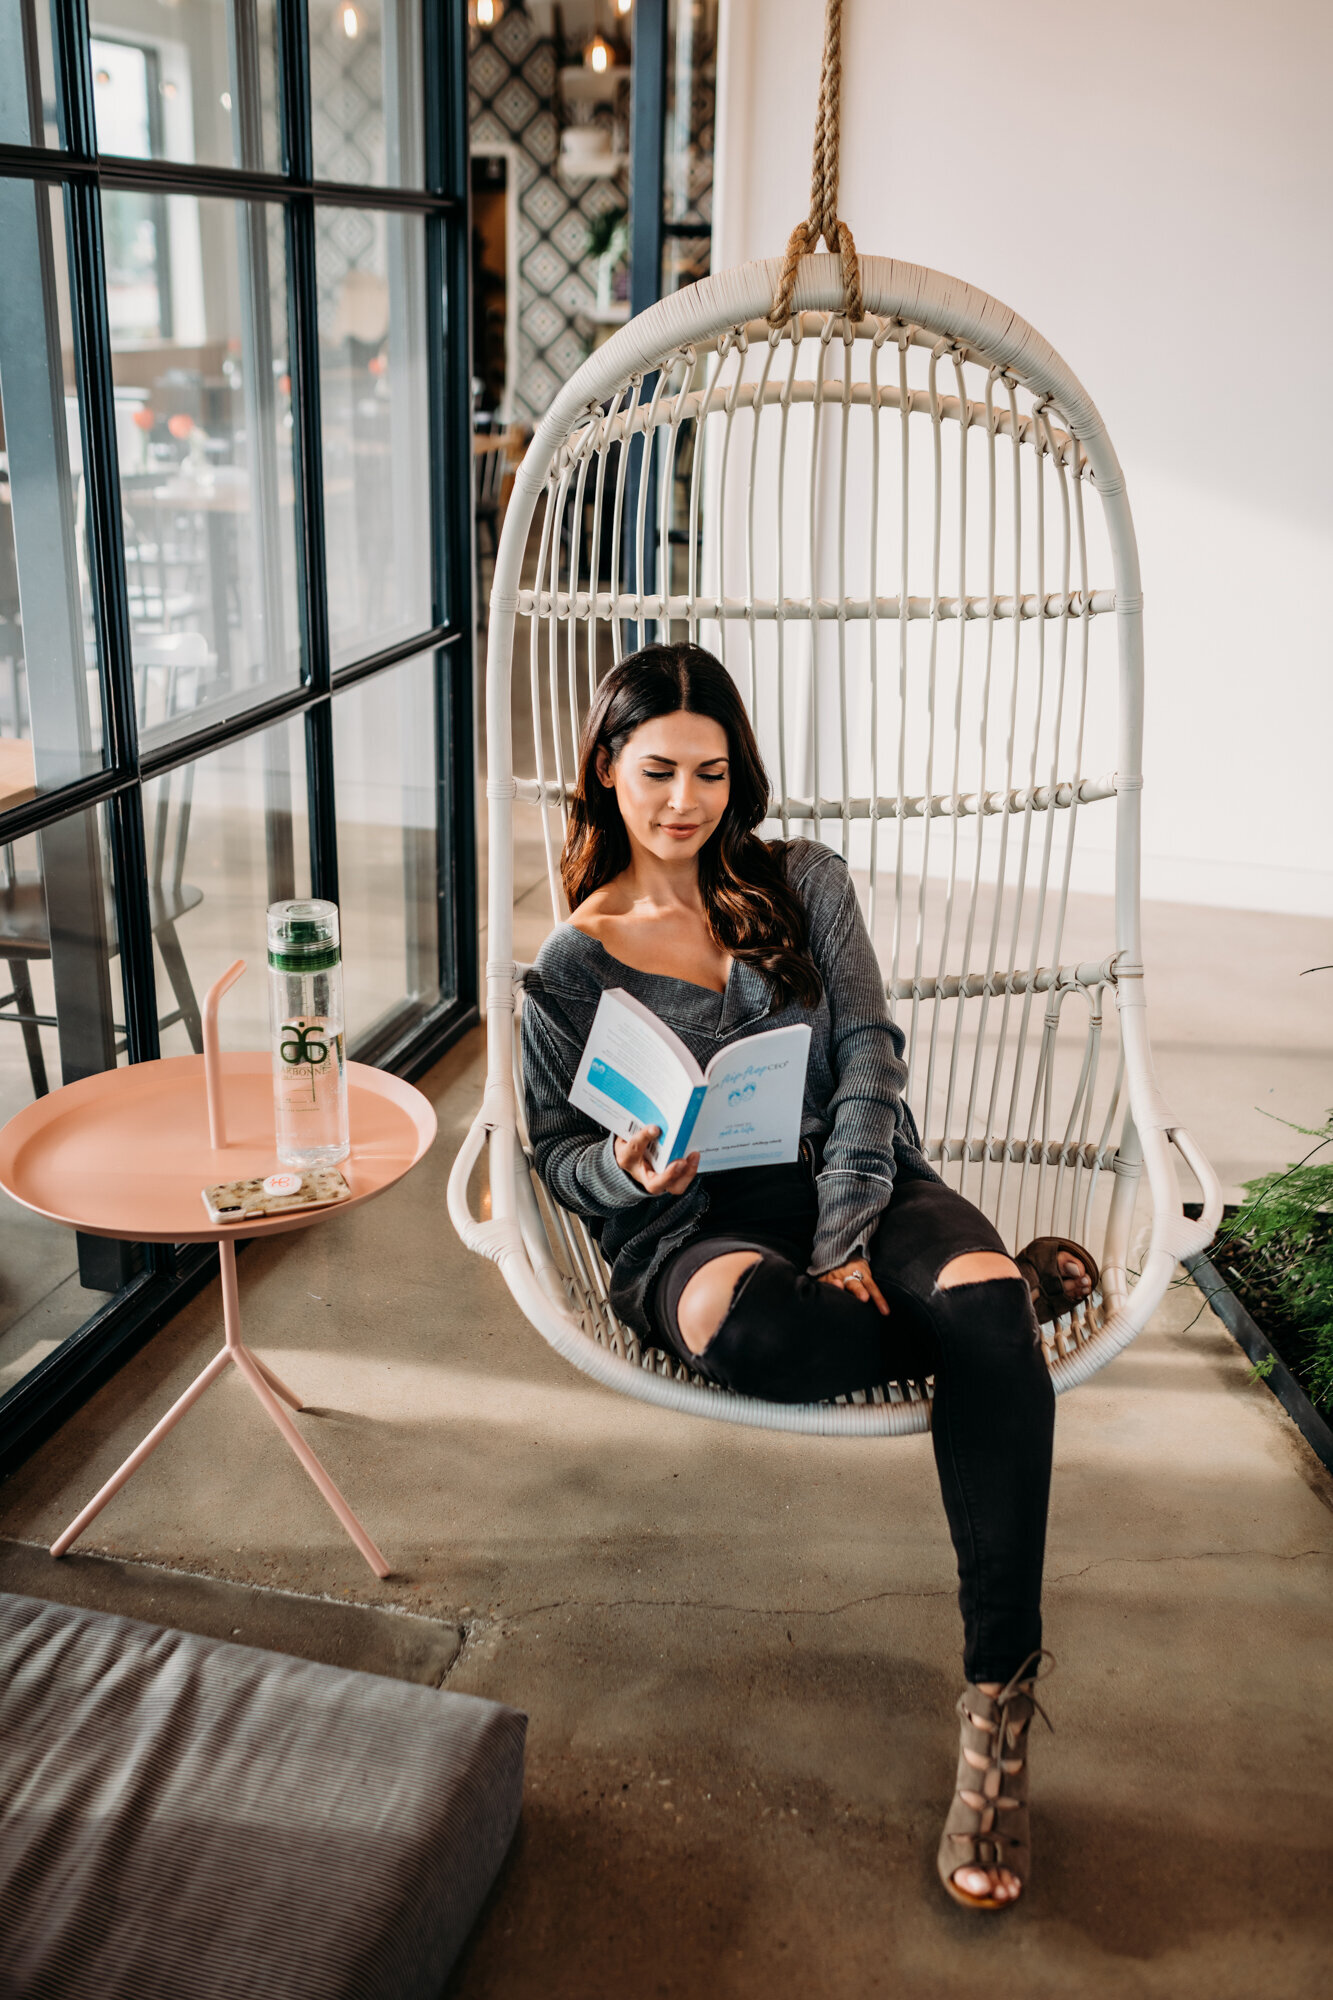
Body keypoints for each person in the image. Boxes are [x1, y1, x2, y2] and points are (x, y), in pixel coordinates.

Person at [520, 643, 1097, 1911]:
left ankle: (995, 1703)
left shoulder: (801, 881)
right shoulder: (567, 965)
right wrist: (629, 1173)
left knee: (960, 1286)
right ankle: (997, 1313)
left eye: (711, 771)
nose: (685, 800)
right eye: (658, 769)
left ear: (740, 773)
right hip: (692, 1226)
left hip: (860, 1181)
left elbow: (868, 1061)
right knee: (778, 1327)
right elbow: (555, 1158)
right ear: (606, 770)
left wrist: (844, 1232)